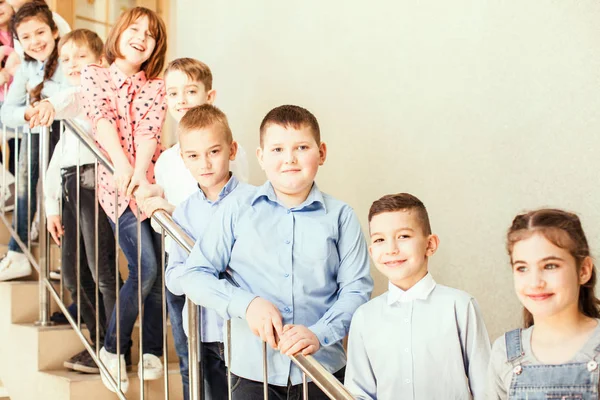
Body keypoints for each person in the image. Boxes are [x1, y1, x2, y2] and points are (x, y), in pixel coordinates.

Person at [176, 104, 373, 399]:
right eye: (278, 149)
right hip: (251, 374)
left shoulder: (341, 217)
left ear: (321, 152)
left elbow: (356, 291)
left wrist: (320, 333)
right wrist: (246, 304)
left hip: (322, 370)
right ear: (261, 157)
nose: (290, 159)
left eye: (302, 147)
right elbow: (194, 275)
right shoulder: (236, 210)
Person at [135, 58, 248, 400]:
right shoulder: (169, 159)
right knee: (190, 359)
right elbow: (178, 196)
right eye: (173, 93)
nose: (181, 100)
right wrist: (158, 198)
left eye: (191, 91)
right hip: (180, 265)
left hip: (221, 274)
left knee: (230, 364)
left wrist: (173, 211)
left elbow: (226, 210)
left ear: (209, 96)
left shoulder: (226, 153)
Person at [79, 6, 167, 393]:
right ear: (119, 32)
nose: (141, 38)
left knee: (162, 270)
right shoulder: (94, 75)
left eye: (150, 35)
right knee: (144, 268)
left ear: (154, 48)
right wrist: (121, 166)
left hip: (151, 187)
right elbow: (102, 121)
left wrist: (139, 171)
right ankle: (113, 348)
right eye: (135, 29)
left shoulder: (157, 86)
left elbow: (150, 132)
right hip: (115, 187)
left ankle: (152, 350)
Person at [344, 193, 491, 399]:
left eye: (403, 236)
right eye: (379, 239)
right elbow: (358, 392)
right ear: (371, 250)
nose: (391, 249)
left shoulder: (460, 306)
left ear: (430, 244)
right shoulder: (364, 317)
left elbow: (486, 388)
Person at [36, 28, 119, 375]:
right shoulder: (72, 105)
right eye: (66, 59)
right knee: (71, 273)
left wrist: (48, 104)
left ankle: (115, 347)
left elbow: (69, 97)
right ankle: (99, 340)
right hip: (71, 184)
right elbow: (58, 157)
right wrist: (52, 206)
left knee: (101, 271)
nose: (72, 64)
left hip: (93, 181)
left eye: (80, 57)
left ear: (101, 63)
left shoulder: (94, 94)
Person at [161, 104, 250, 399]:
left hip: (246, 331)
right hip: (204, 332)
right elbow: (173, 276)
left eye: (214, 151)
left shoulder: (255, 202)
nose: (205, 163)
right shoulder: (184, 212)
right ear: (183, 160)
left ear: (231, 149)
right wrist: (202, 271)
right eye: (194, 156)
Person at [487, 208, 600, 399]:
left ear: (583, 271)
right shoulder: (504, 353)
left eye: (550, 266)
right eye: (522, 268)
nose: (535, 282)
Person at [0, 0, 65, 281]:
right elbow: (6, 113)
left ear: (53, 30)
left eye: (40, 33)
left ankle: (25, 252)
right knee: (30, 141)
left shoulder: (68, 57)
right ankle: (18, 252)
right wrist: (28, 112)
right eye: (25, 37)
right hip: (39, 137)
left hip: (70, 138)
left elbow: (75, 95)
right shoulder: (27, 67)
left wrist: (44, 101)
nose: (34, 42)